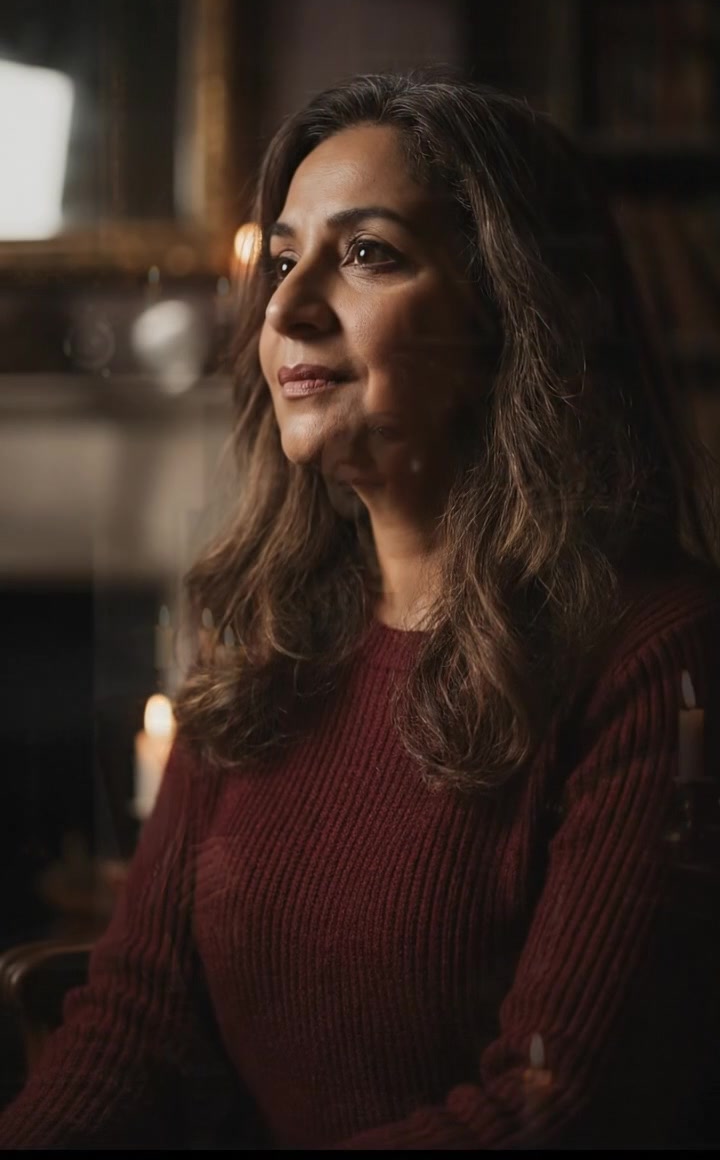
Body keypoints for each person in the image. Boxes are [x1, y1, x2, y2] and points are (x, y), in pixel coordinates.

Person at [2, 68, 720, 1150]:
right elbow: (130, 1015)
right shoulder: (272, 631)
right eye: (284, 257)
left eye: (368, 253)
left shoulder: (657, 655)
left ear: (502, 317)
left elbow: (550, 1107)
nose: (285, 306)